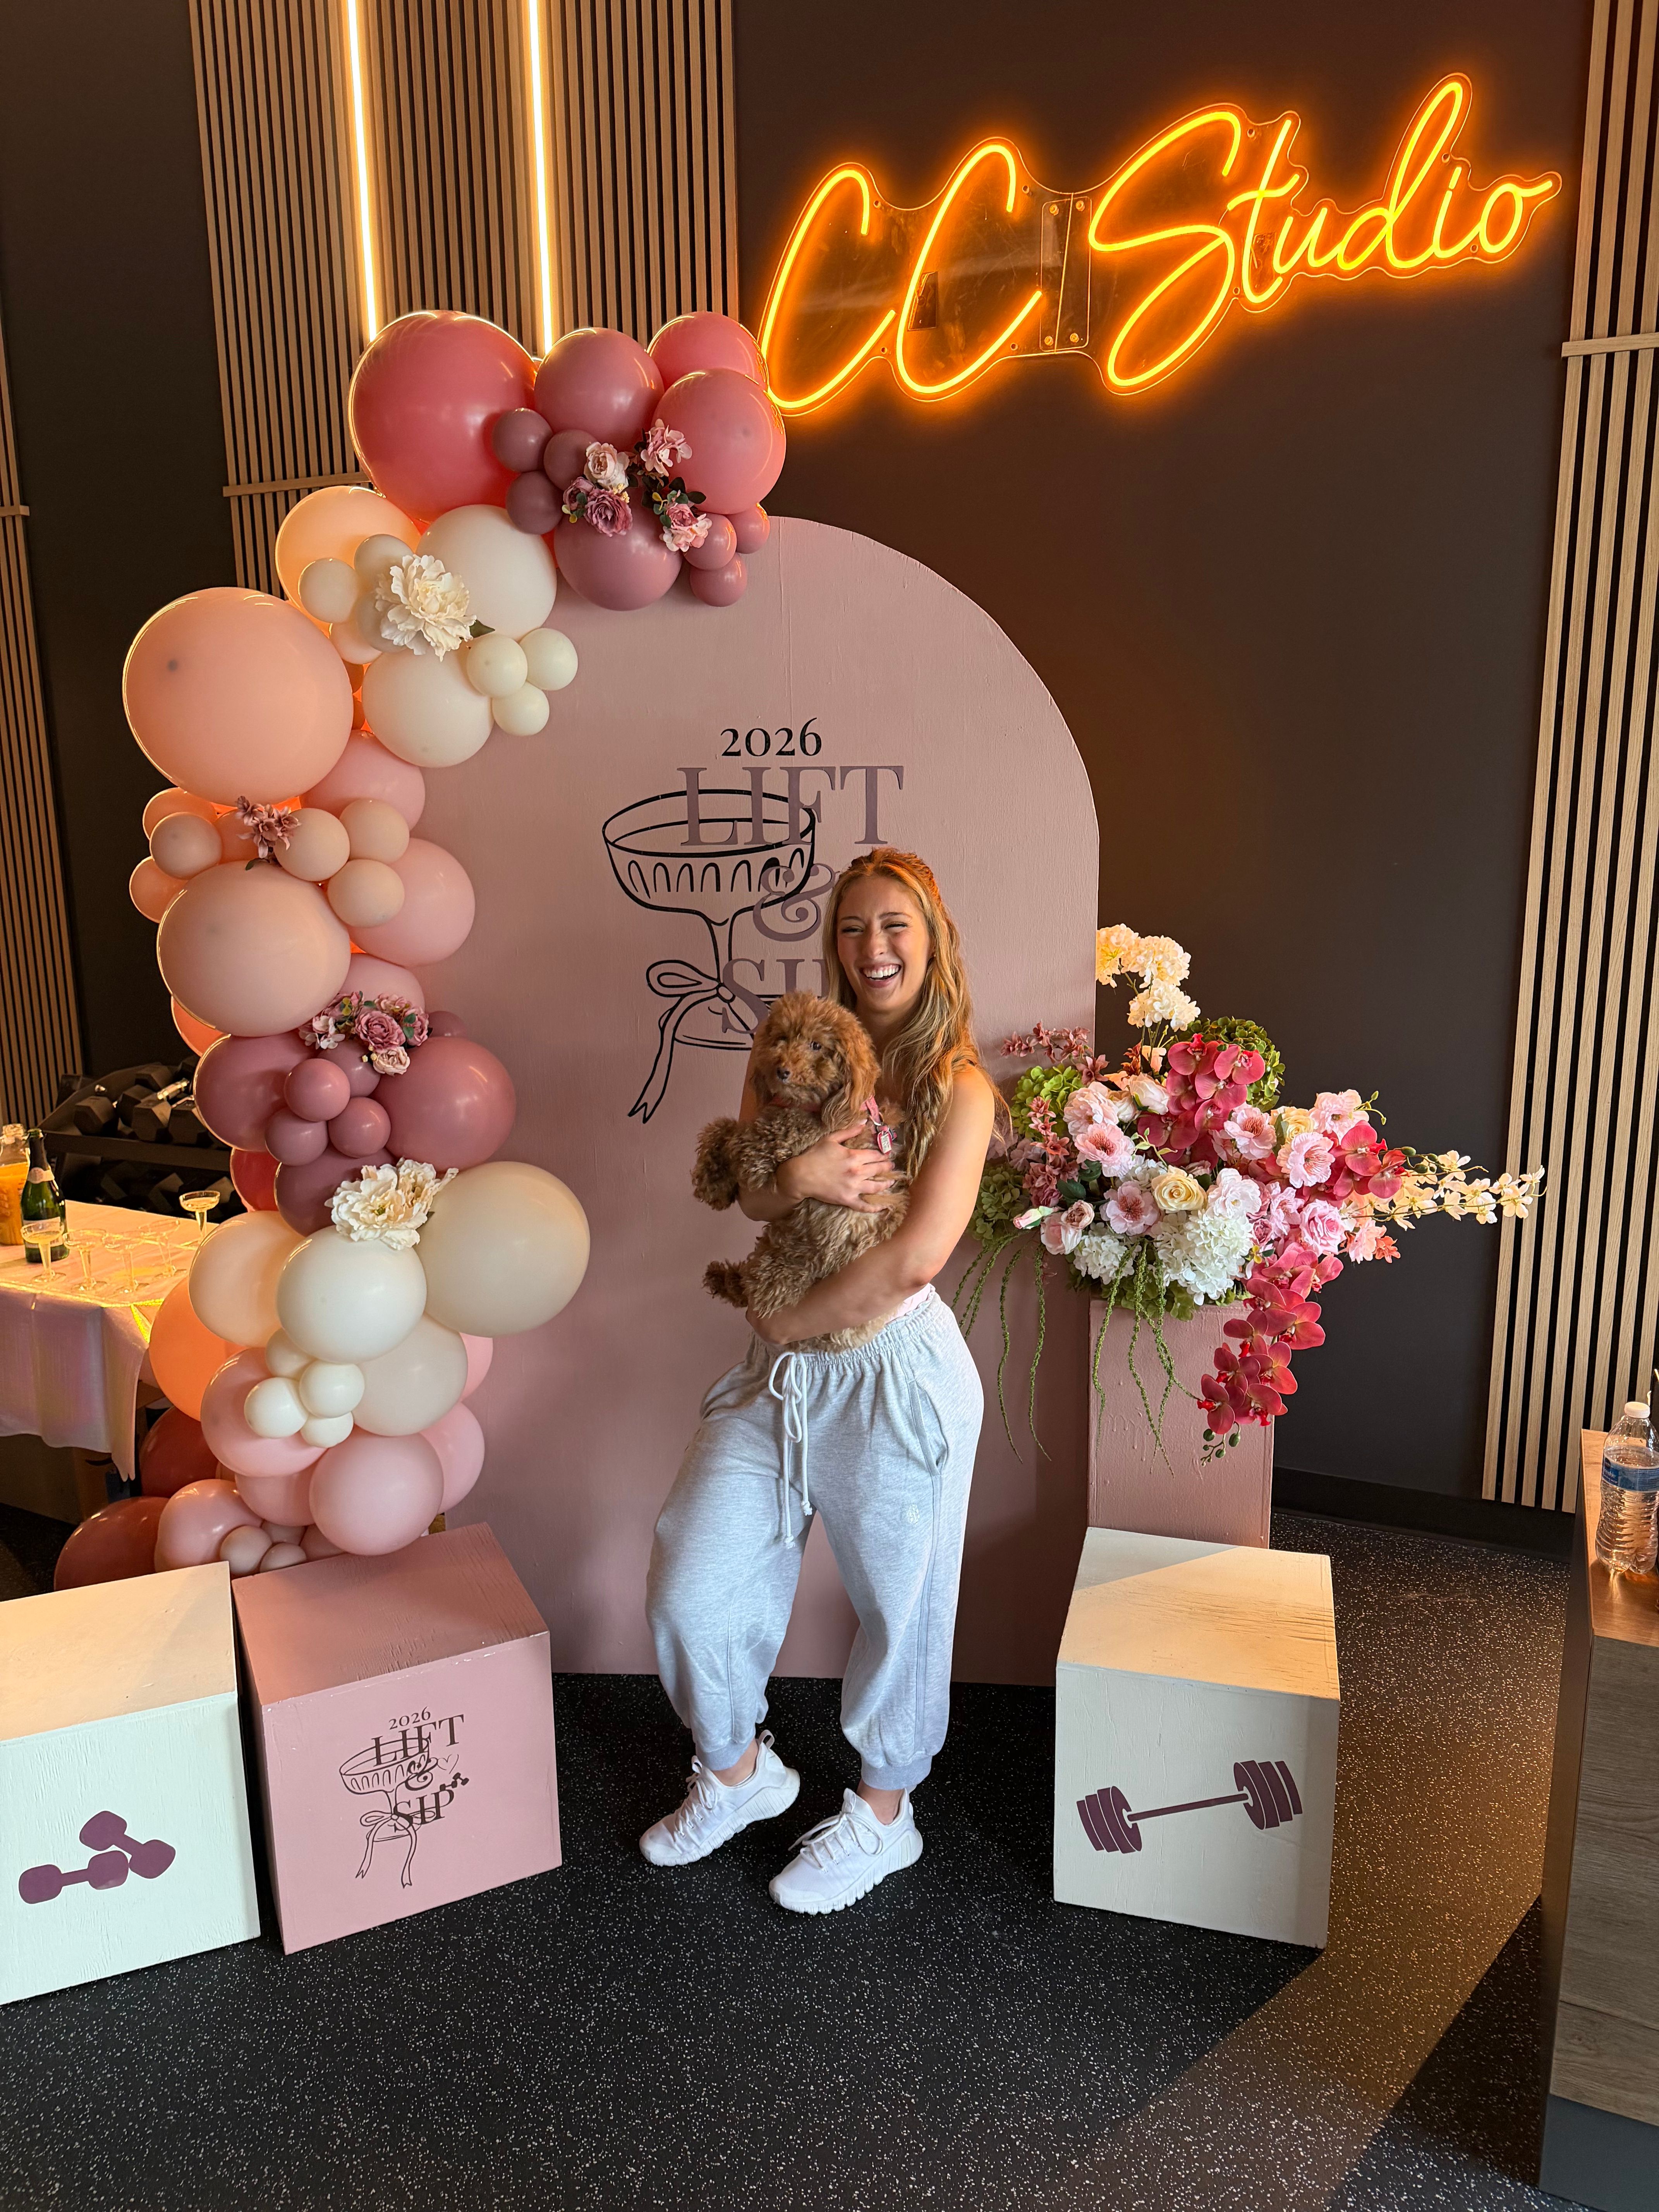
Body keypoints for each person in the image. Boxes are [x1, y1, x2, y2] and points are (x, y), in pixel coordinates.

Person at [642, 847, 997, 1913]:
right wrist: (797, 1175)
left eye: (893, 925)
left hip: (893, 1372)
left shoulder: (957, 1088)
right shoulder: (791, 1044)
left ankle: (885, 1817)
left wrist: (787, 1320)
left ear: (931, 939)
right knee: (690, 1583)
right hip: (779, 1373)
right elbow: (750, 1196)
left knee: (901, 1606)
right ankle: (740, 1776)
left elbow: (917, 1255)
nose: (871, 947)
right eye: (851, 927)